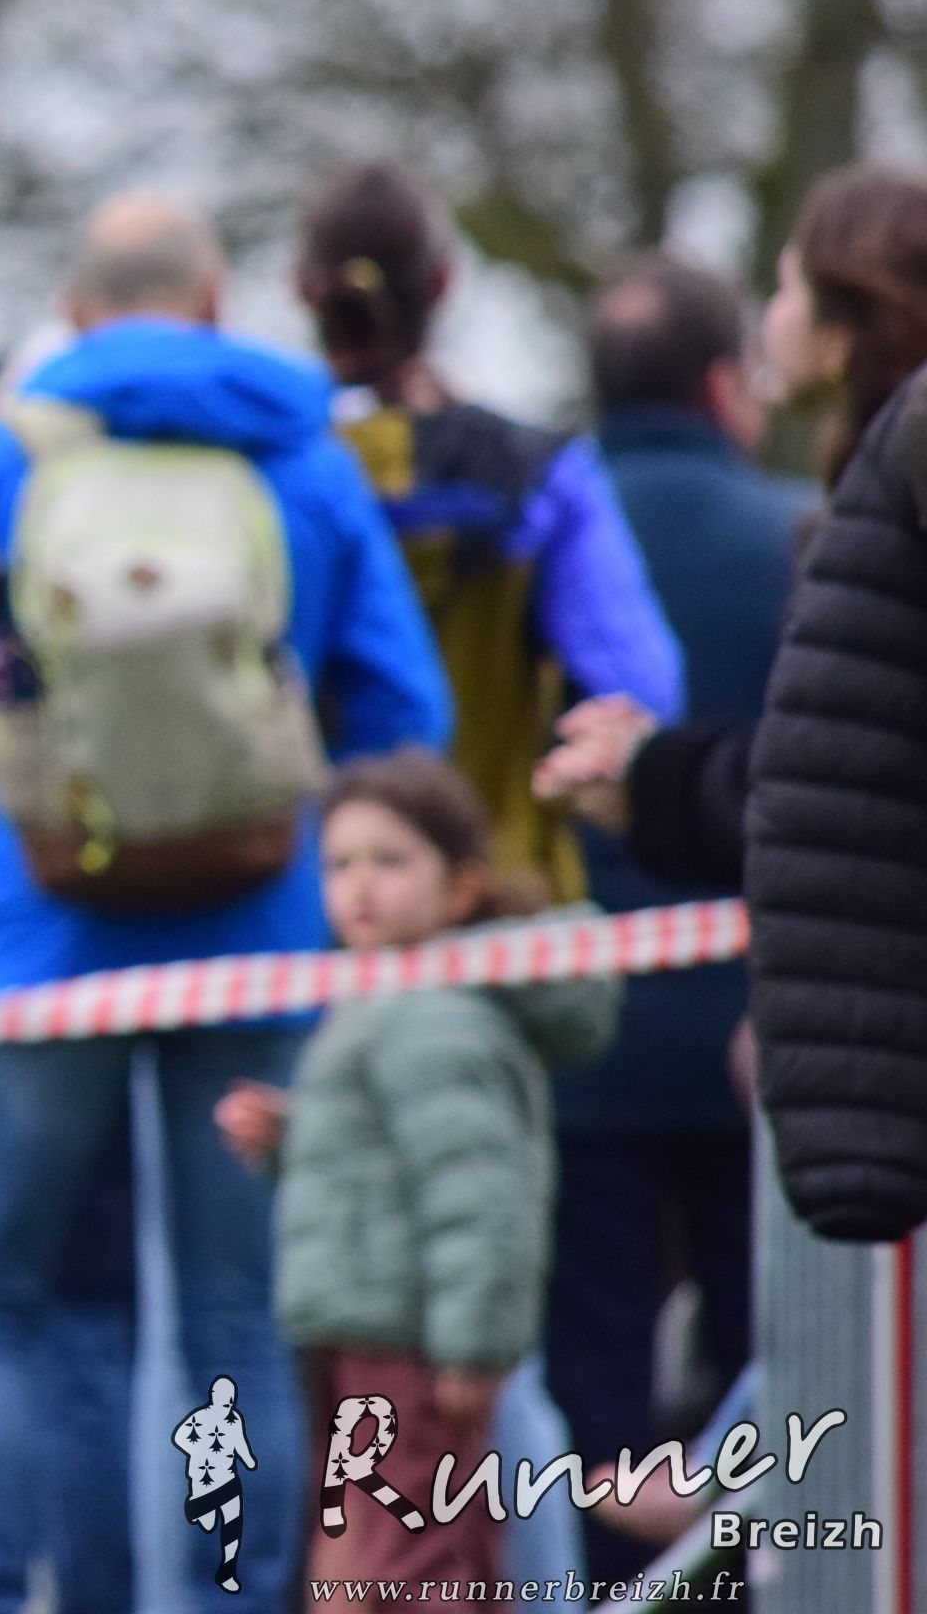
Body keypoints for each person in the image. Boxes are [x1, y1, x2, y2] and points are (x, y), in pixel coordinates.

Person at [0, 193, 452, 1613]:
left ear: (73, 312)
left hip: (41, 950)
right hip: (259, 943)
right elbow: (403, 709)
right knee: (235, 1321)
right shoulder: (302, 457)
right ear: (212, 302)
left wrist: (20, 837)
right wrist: (301, 835)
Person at [538, 164, 927, 1244]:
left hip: (664, 1051)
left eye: (787, 285)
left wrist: (650, 776)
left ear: (845, 322)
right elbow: (837, 774)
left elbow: (846, 787)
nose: (771, 316)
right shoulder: (803, 515)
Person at [538, 255, 810, 1580]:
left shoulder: (535, 541)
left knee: (590, 1384)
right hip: (767, 1029)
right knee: (775, 1365)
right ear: (721, 384)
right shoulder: (805, 535)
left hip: (575, 1037)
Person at [216, 753, 619, 1592]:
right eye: (340, 863)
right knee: (364, 1553)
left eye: (390, 860)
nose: (360, 884)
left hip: (414, 1348)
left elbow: (480, 1196)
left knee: (420, 1557)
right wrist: (293, 1140)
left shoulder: (438, 1020)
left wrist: (472, 1346)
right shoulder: (376, 1004)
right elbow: (383, 1170)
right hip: (358, 1337)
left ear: (460, 888)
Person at [299, 163, 680, 904]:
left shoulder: (277, 476)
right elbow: (642, 691)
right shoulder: (543, 475)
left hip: (319, 903)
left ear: (304, 292)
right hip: (500, 900)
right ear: (444, 283)